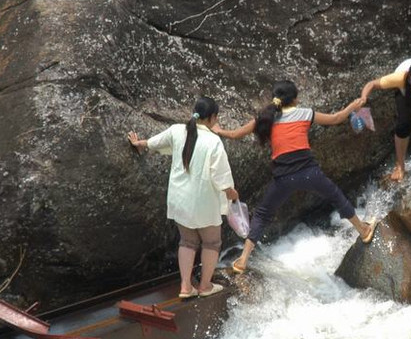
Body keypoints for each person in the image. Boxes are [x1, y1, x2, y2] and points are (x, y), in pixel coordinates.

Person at [215, 80, 376, 274]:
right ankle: (364, 230)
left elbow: (234, 134)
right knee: (335, 196)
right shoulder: (306, 113)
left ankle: (242, 260)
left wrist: (219, 130)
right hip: (310, 173)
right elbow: (336, 118)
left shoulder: (265, 118)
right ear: (296, 98)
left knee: (262, 214)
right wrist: (352, 106)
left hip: (283, 179)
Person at [127, 96, 239, 298]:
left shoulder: (177, 130)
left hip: (180, 200)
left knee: (187, 242)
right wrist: (231, 192)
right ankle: (205, 286)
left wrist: (139, 143)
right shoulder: (213, 141)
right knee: (212, 243)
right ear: (213, 117)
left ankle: (186, 287)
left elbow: (153, 143)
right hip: (204, 202)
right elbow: (220, 175)